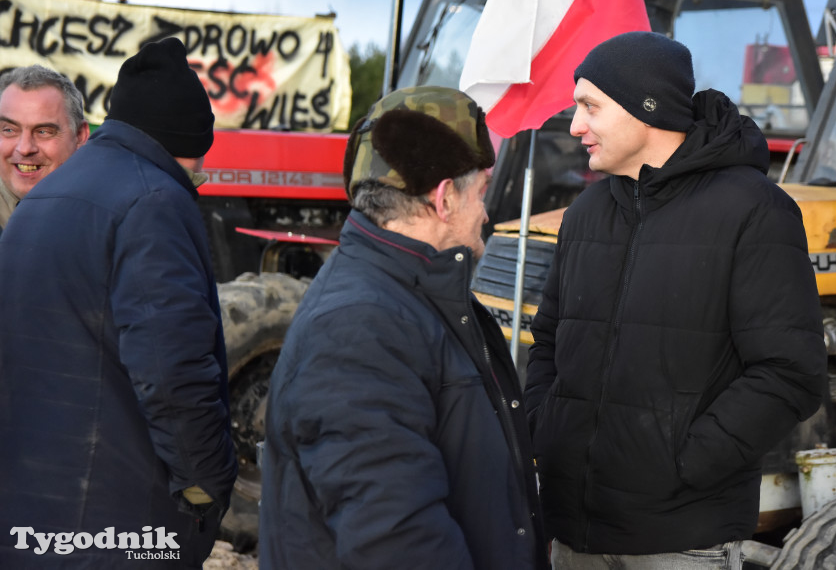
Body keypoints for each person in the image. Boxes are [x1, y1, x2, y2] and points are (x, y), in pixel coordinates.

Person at [525, 31, 826, 569]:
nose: (575, 126)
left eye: (590, 106)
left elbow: (789, 372)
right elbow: (548, 339)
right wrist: (547, 430)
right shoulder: (586, 213)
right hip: (574, 532)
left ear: (647, 110)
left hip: (685, 540)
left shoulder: (754, 210)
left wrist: (683, 461)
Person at [259, 85, 547, 569]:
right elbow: (395, 540)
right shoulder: (359, 326)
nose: (486, 212)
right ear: (445, 198)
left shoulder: (414, 292)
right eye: (481, 192)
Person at [0, 38, 237, 568]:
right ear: (186, 143)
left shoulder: (38, 202)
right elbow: (174, 372)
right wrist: (206, 489)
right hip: (116, 527)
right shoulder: (153, 199)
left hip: (33, 516)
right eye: (195, 165)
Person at [0, 65, 89, 232]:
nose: (25, 148)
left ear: (80, 136)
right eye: (9, 130)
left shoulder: (114, 216)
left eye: (43, 132)